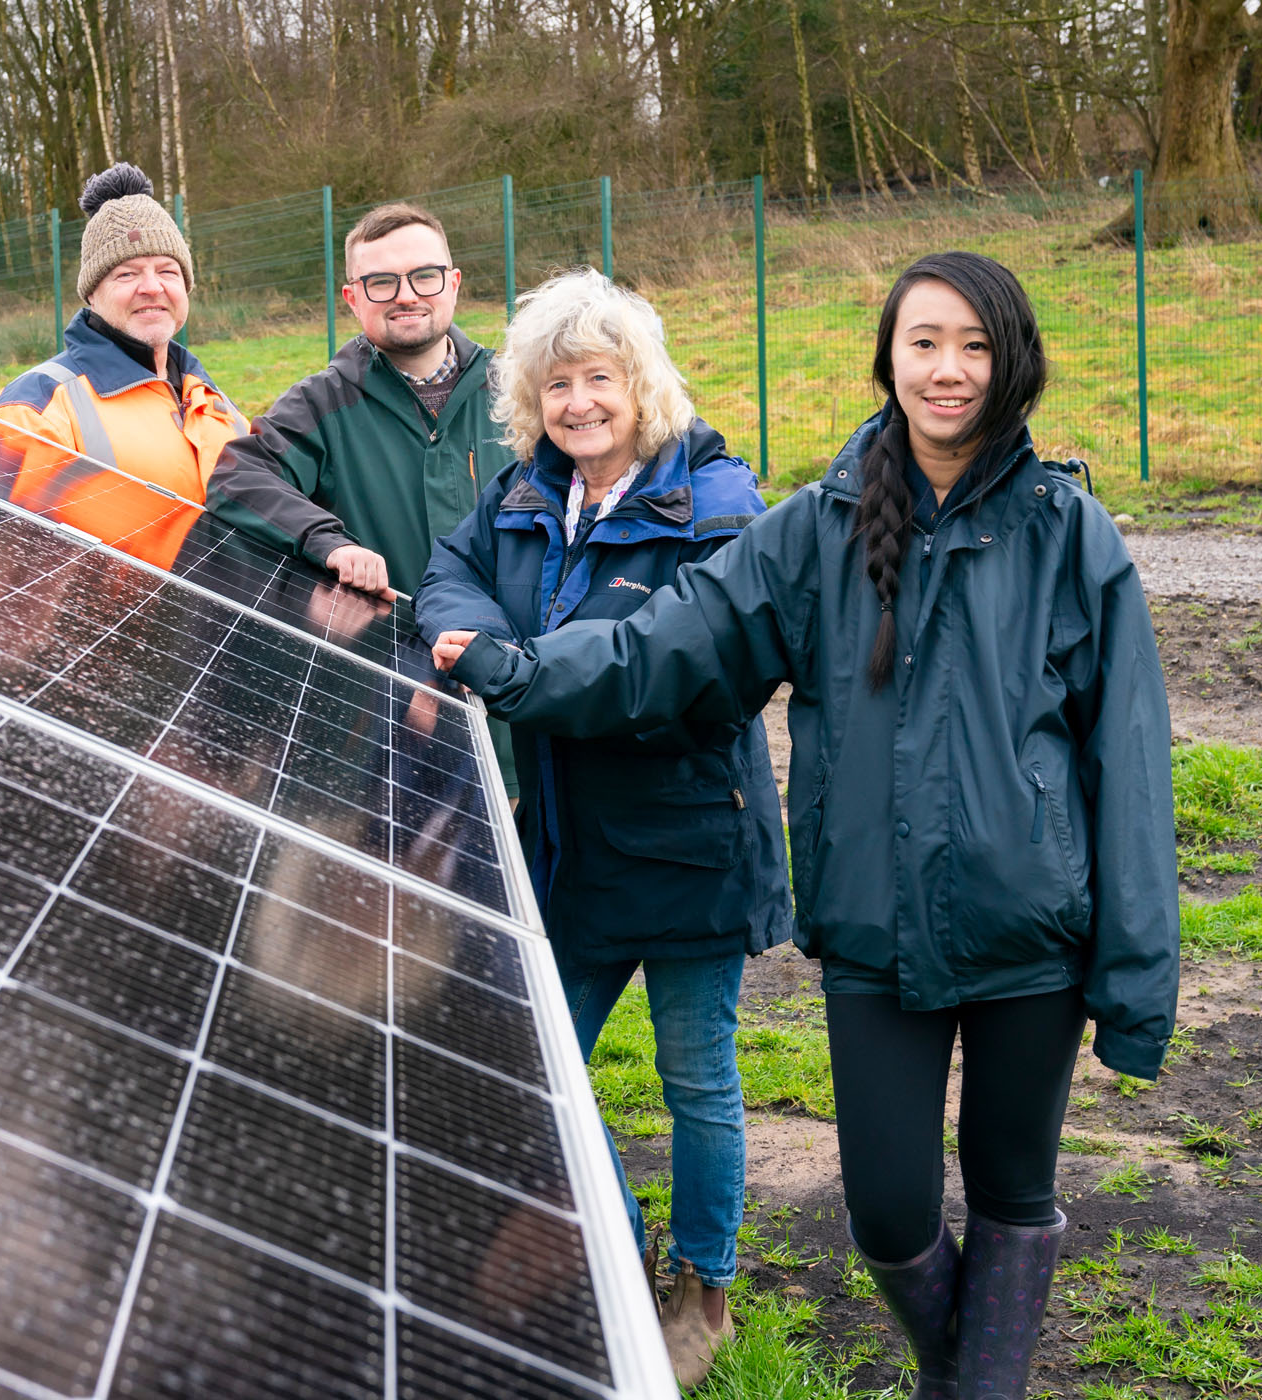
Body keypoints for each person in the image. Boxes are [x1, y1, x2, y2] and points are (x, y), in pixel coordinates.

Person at [430, 252, 1178, 1399]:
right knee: (886, 1213)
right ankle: (961, 1370)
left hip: (1035, 938)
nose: (949, 369)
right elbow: (665, 645)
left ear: (1012, 360)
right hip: (872, 931)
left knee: (1013, 1189)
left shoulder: (1070, 532)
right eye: (925, 341)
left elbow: (1127, 768)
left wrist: (1133, 978)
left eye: (976, 345)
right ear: (888, 355)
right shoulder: (814, 530)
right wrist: (520, 669)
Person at [415, 268, 791, 1388]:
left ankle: (705, 1287)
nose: (578, 402)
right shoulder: (526, 495)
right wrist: (483, 641)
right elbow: (450, 575)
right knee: (546, 1077)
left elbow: (682, 664)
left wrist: (516, 672)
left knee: (697, 1077)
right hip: (567, 843)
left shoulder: (718, 506)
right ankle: (622, 1245)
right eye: (556, 383)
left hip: (689, 839)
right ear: (531, 401)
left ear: (643, 385)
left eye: (598, 377)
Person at [204, 201, 520, 786]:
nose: (406, 294)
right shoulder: (322, 404)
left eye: (424, 275)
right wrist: (325, 541)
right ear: (353, 298)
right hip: (383, 717)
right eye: (381, 282)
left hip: (519, 704)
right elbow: (237, 478)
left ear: (453, 284)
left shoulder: (519, 396)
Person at [0, 163, 247, 565]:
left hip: (220, 625)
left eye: (167, 271)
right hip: (105, 625)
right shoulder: (34, 408)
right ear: (92, 293)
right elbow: (6, 570)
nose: (152, 287)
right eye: (127, 274)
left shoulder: (214, 403)